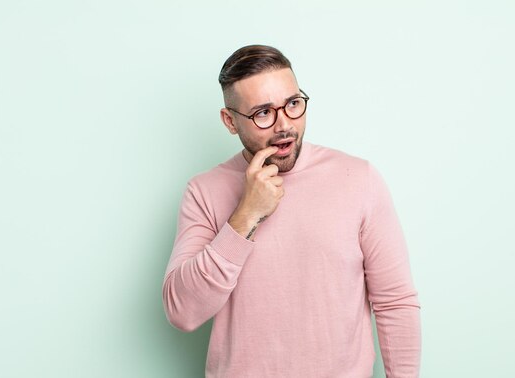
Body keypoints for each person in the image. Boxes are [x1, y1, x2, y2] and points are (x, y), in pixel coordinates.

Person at [162, 44, 421, 378]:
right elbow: (182, 312)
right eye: (263, 113)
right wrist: (245, 216)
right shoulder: (204, 191)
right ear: (230, 121)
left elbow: (395, 302)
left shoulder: (359, 179)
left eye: (293, 104)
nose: (284, 125)